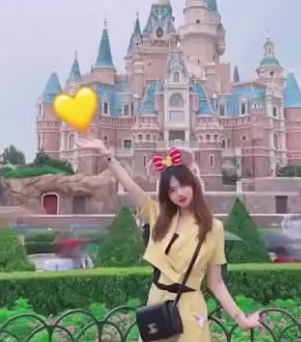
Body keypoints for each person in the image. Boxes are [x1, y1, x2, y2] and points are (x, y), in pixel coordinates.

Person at [76, 136, 261, 341]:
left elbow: (216, 282)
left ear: (194, 185)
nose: (179, 193)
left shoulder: (213, 228)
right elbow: (131, 186)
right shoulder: (158, 216)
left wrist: (241, 319)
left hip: (190, 308)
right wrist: (106, 154)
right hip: (157, 307)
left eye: (183, 185)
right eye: (172, 190)